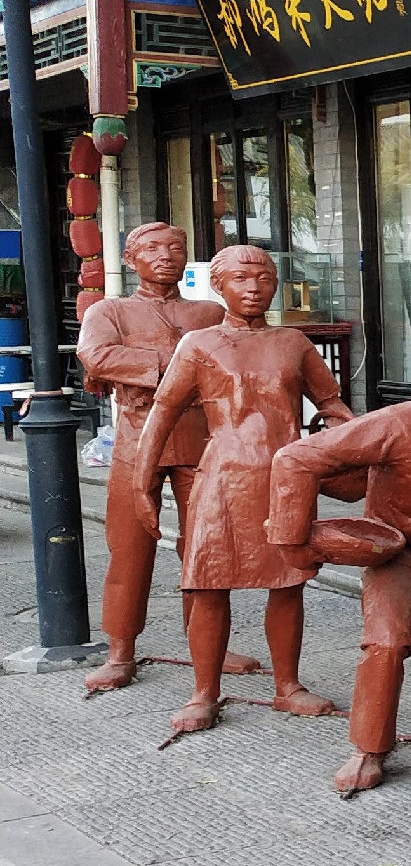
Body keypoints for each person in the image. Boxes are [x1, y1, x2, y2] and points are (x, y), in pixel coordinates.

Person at [129, 244, 354, 733]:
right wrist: (141, 479)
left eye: (265, 279)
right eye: (241, 279)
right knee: (207, 583)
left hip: (285, 479)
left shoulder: (293, 342)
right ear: (219, 285)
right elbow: (162, 413)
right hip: (222, 478)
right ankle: (203, 692)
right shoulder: (200, 344)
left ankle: (287, 686)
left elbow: (333, 405)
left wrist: (358, 450)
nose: (254, 288)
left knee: (288, 582)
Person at [268, 393, 411, 797]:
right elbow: (294, 458)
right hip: (393, 549)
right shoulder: (398, 422)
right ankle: (368, 748)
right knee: (384, 642)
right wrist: (294, 543)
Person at [75, 222, 231, 693]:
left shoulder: (210, 312)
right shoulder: (110, 310)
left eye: (175, 249)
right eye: (153, 249)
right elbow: (97, 356)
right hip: (136, 439)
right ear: (130, 259)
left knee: (204, 547)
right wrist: (172, 367)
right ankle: (120, 649)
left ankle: (206, 643)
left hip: (201, 436)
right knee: (129, 547)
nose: (165, 256)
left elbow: (233, 358)